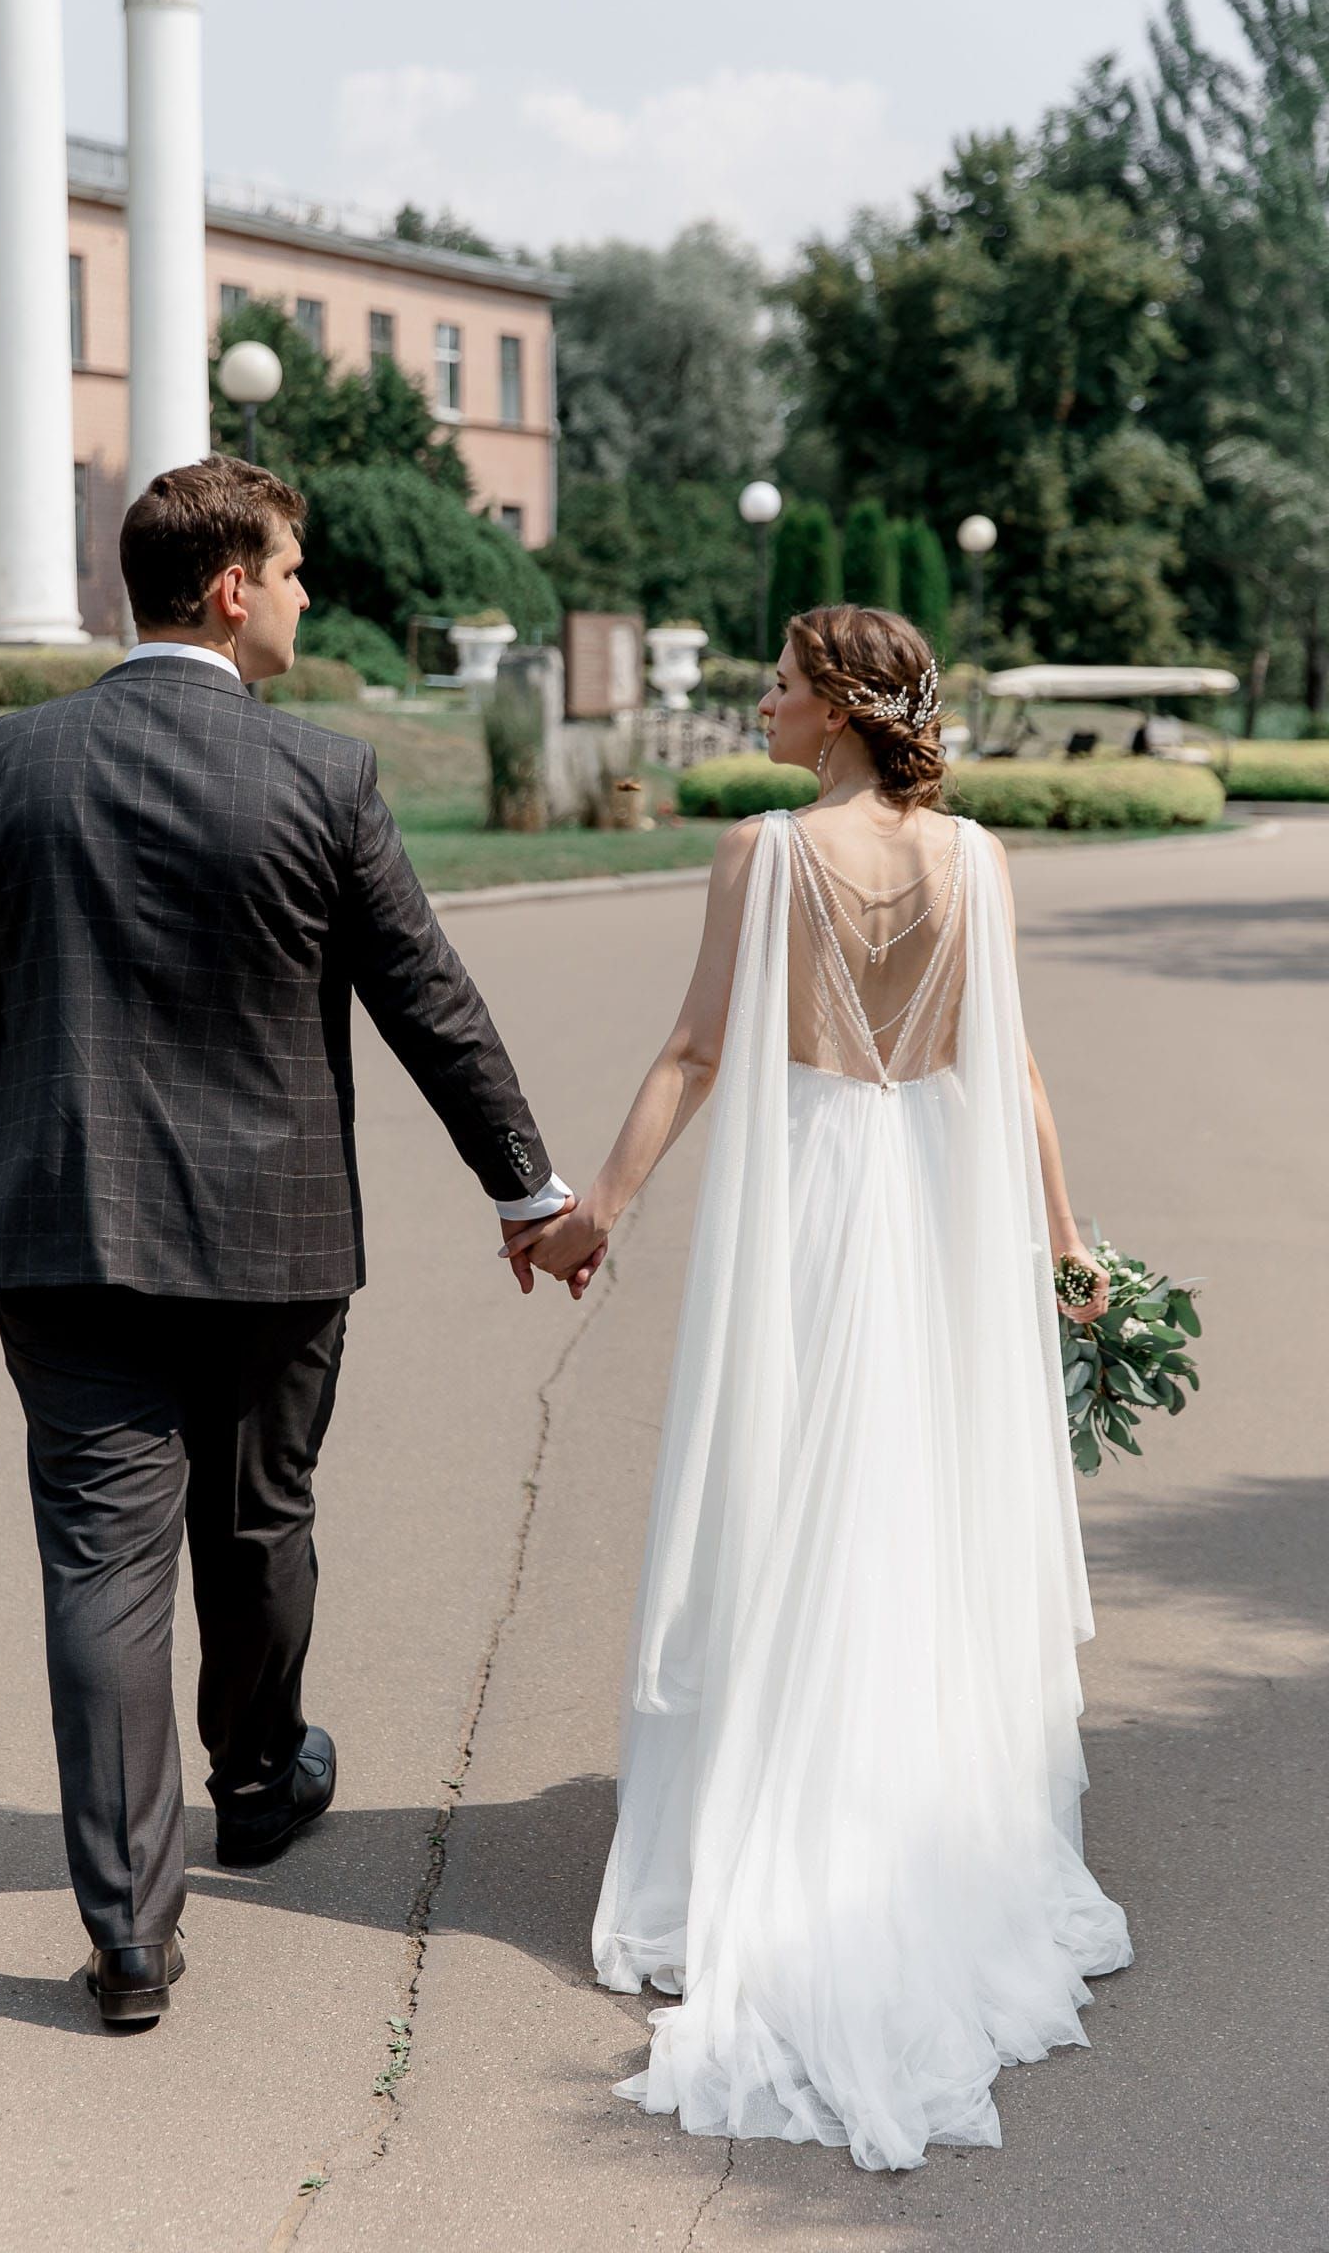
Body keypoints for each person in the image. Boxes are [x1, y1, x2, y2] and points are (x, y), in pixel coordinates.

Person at [0, 456, 593, 2026]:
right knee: (260, 1519)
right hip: (277, 1243)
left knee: (103, 1568)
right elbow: (429, 1002)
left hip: (59, 1221)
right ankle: (263, 1779)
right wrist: (528, 1194)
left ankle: (132, 1937)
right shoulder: (323, 780)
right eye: (290, 571)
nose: (301, 594)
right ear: (230, 587)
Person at [505, 604, 1132, 2171]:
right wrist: (1060, 1239)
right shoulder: (979, 862)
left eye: (782, 684)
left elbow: (701, 1052)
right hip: (939, 1208)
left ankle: (791, 1821)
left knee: (791, 1495)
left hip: (808, 1207)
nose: (762, 703)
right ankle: (918, 1812)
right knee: (916, 1495)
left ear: (842, 706)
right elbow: (1023, 1069)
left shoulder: (763, 855)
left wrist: (602, 1214)